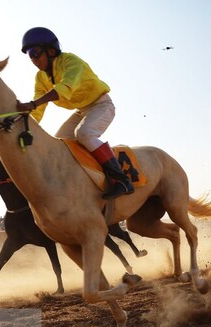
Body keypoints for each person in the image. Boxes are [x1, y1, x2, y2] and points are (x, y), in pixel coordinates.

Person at [17, 27, 134, 199]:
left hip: (102, 105)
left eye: (35, 53)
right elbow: (37, 112)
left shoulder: (71, 61)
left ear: (50, 50)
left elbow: (63, 89)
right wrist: (20, 124)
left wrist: (33, 104)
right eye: (30, 55)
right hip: (82, 111)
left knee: (84, 133)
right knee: (58, 144)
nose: (33, 59)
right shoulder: (40, 77)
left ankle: (122, 180)